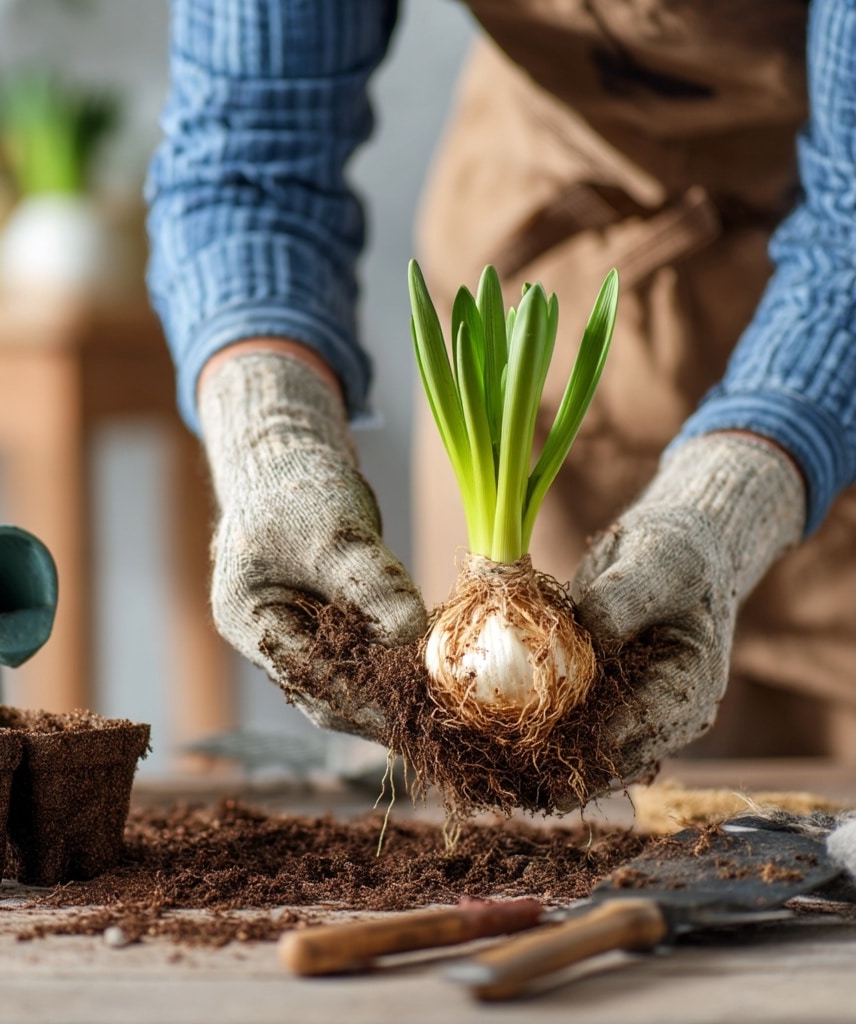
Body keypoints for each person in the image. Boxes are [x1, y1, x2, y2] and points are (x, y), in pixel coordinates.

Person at [145, 0, 856, 790]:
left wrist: (732, 501)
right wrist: (269, 430)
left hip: (830, 353)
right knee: (522, 796)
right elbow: (249, 159)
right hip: (541, 268)